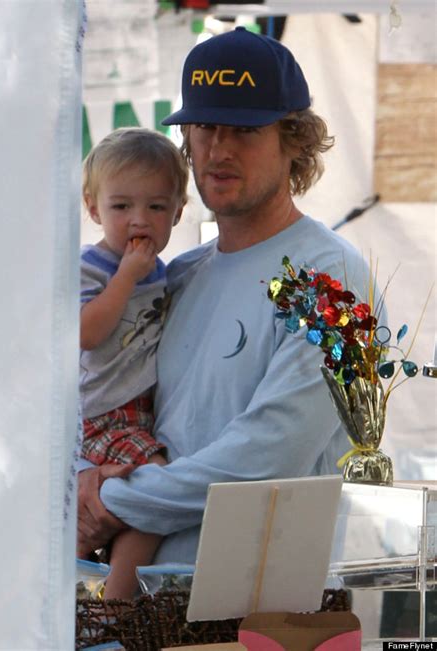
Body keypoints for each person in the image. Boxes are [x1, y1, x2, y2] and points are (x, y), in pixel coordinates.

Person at [77, 27, 368, 572]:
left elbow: (270, 455)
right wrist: (78, 478)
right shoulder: (175, 275)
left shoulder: (334, 278)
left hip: (265, 610)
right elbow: (99, 397)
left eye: (244, 129)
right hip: (146, 606)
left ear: (294, 141)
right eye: (204, 125)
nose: (218, 148)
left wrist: (108, 500)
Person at [78, 127, 189, 598]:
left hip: (139, 412)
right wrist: (125, 277)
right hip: (103, 413)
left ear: (179, 212)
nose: (139, 221)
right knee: (159, 490)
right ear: (92, 207)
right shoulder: (91, 266)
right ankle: (116, 608)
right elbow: (86, 332)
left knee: (139, 506)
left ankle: (101, 592)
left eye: (156, 207)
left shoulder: (168, 273)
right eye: (121, 207)